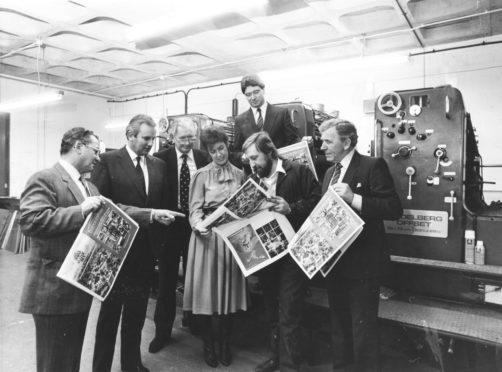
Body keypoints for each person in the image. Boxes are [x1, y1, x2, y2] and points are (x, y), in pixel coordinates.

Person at [18, 127, 174, 372]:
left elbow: (116, 209)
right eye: (95, 150)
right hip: (53, 290)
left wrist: (152, 214)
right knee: (54, 363)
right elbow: (30, 220)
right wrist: (80, 210)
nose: (99, 157)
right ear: (78, 147)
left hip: (78, 288)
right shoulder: (45, 178)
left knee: (70, 361)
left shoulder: (88, 186)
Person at [91, 115, 176, 372]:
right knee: (109, 316)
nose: (150, 143)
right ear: (130, 134)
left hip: (145, 252)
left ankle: (131, 364)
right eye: (146, 138)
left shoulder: (158, 165)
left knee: (136, 315)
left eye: (153, 139)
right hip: (115, 252)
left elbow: (160, 203)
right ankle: (101, 368)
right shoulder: (107, 161)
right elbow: (103, 206)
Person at [318, 119, 402, 372]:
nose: (322, 147)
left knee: (363, 328)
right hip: (335, 262)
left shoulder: (371, 165)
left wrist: (354, 198)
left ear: (346, 142)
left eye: (328, 141)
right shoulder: (329, 172)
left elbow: (393, 209)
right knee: (339, 323)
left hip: (363, 264)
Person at [243, 132, 321, 372]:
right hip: (267, 252)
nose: (252, 164)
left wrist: (291, 208)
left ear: (270, 152)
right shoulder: (253, 178)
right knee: (271, 309)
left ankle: (289, 366)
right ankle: (277, 358)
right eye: (248, 160)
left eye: (255, 157)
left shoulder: (299, 171)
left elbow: (318, 204)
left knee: (289, 311)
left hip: (294, 253)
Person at [183, 126, 248, 368]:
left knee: (227, 294)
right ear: (208, 152)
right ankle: (209, 346)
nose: (219, 154)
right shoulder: (201, 175)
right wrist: (198, 225)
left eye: (221, 148)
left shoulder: (240, 174)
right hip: (208, 239)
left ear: (227, 146)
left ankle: (224, 345)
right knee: (208, 295)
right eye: (213, 151)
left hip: (231, 238)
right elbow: (195, 209)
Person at [150, 116, 210, 353]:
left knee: (195, 280)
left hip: (195, 227)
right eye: (183, 138)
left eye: (192, 138)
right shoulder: (160, 159)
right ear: (172, 136)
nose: (188, 143)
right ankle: (162, 332)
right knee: (166, 282)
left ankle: (194, 323)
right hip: (169, 227)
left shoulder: (203, 158)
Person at [231, 74, 299, 168]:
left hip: (280, 169)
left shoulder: (281, 113)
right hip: (255, 172)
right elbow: (236, 151)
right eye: (248, 94)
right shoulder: (240, 120)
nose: (253, 97)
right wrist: (243, 157)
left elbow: (293, 141)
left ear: (263, 90)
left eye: (256, 92)